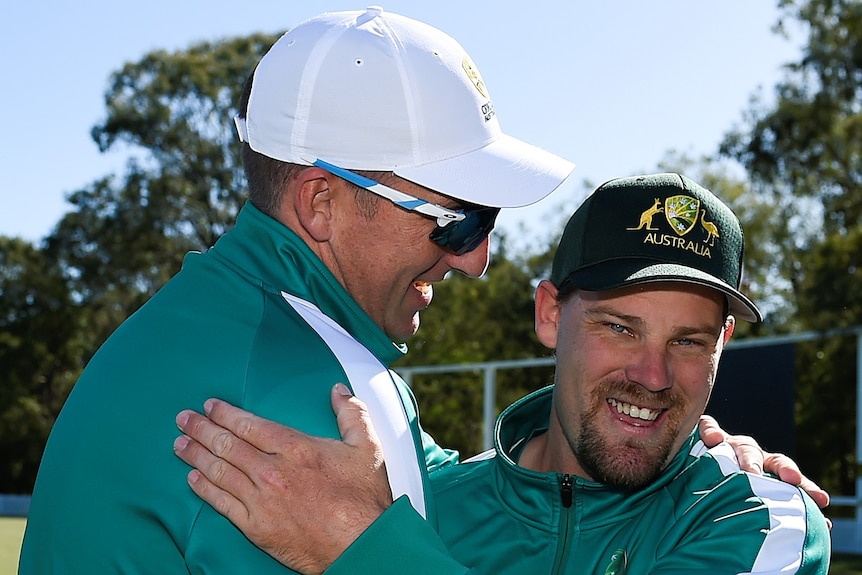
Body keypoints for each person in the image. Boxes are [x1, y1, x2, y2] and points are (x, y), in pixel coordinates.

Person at [18, 7, 576, 574]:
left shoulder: (209, 321)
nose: (476, 259)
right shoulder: (303, 403)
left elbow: (432, 481)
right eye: (456, 219)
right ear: (321, 204)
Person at [172, 173, 831, 574]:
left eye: (687, 342)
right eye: (619, 327)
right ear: (549, 313)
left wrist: (367, 552)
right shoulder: (425, 499)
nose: (653, 374)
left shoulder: (760, 518)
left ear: (724, 343)